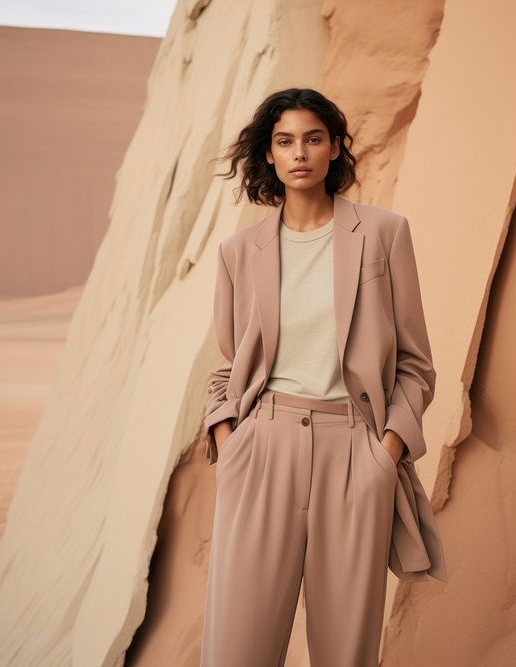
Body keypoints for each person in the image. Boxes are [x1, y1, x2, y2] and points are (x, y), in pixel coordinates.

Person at [199, 87, 445, 667]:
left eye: (313, 138)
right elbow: (231, 366)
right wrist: (227, 442)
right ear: (269, 156)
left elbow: (415, 363)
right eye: (285, 141)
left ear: (334, 148)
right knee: (238, 648)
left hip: (355, 452)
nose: (300, 152)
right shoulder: (240, 251)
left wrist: (384, 456)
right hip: (261, 448)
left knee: (345, 651)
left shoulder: (383, 233)